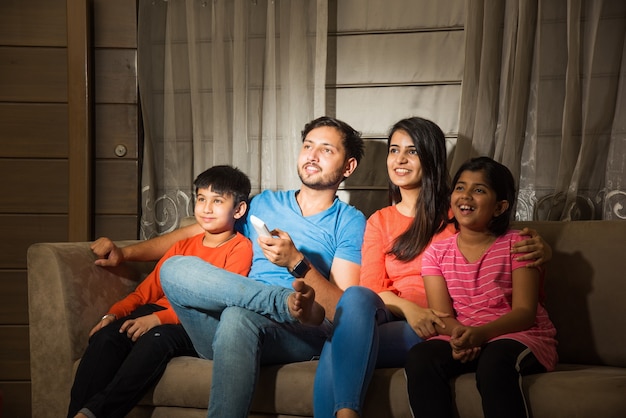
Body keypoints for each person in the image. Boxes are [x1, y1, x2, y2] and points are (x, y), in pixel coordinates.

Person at [92, 116, 367, 417]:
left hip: (298, 329)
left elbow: (345, 308)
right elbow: (189, 233)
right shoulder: (264, 203)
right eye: (308, 146)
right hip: (227, 326)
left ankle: (284, 304)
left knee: (237, 317)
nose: (312, 155)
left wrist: (296, 263)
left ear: (348, 167)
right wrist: (125, 253)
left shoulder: (349, 221)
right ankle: (279, 301)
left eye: (326, 150)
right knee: (174, 268)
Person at [312, 117, 552, 418]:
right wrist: (410, 309)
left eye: (412, 151)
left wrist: (543, 247)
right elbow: (372, 289)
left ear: (431, 156)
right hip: (400, 317)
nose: (400, 159)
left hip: (444, 322)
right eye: (394, 150)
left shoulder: (458, 212)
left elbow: (497, 246)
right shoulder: (380, 221)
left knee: (339, 344)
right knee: (356, 299)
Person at [68, 165, 254, 418]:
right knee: (106, 338)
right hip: (156, 312)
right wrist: (112, 314)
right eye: (201, 199)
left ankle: (94, 414)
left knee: (155, 340)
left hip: (192, 323)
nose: (206, 208)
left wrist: (158, 319)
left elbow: (220, 302)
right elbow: (145, 293)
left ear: (239, 209)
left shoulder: (240, 248)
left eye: (217, 201)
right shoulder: (183, 245)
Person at [404, 156, 558, 418]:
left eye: (479, 190)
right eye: (460, 187)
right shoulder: (437, 253)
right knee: (421, 357)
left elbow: (524, 313)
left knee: (495, 361)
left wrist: (481, 334)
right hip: (466, 335)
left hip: (517, 335)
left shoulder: (519, 244)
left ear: (499, 207)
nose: (466, 196)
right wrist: (463, 336)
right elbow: (442, 316)